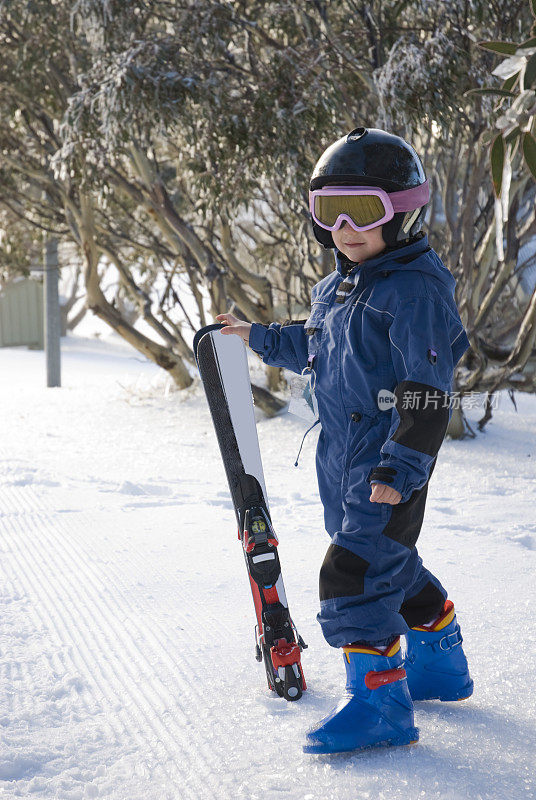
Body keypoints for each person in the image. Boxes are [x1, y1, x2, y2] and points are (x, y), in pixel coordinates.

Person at [216, 127, 473, 755]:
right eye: (331, 212)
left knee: (354, 574)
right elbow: (319, 345)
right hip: (345, 462)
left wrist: (401, 465)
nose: (346, 228)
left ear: (404, 214)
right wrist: (260, 337)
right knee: (390, 563)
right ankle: (440, 665)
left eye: (365, 211)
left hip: (388, 466)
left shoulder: (414, 293)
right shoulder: (343, 286)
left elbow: (427, 391)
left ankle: (383, 706)